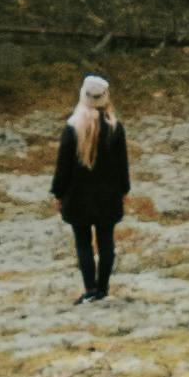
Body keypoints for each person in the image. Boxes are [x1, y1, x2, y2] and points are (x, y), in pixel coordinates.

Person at [50, 73, 130, 304]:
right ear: (106, 98)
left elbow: (62, 166)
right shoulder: (115, 128)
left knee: (82, 243)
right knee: (106, 242)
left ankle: (90, 289)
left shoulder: (72, 127)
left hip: (77, 197)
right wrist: (124, 190)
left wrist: (58, 193)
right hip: (108, 196)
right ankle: (103, 289)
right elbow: (122, 165)